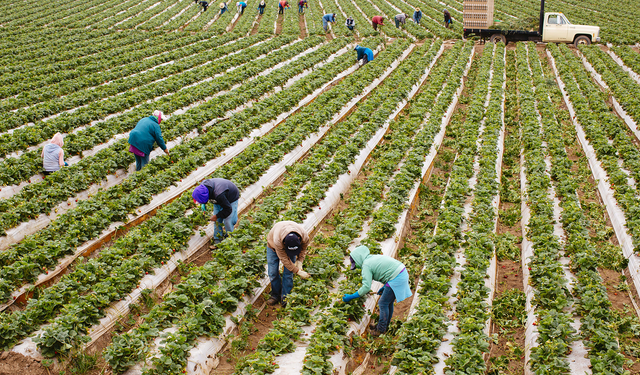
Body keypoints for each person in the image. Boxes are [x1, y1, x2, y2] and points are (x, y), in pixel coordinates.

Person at [342, 245, 412, 336]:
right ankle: (384, 326)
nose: (357, 267)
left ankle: (380, 329)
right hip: (401, 273)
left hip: (396, 277)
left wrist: (352, 296)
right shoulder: (371, 258)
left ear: (358, 260)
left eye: (356, 264)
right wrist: (385, 287)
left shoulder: (366, 265)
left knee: (383, 303)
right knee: (388, 302)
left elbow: (366, 287)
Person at [266, 221, 311, 307]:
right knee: (273, 272)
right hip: (273, 247)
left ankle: (285, 297)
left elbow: (303, 249)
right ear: (285, 244)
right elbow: (285, 260)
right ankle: (275, 295)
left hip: (287, 241)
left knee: (288, 273)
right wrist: (298, 271)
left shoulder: (304, 236)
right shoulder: (277, 240)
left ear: (299, 239)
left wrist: (300, 261)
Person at [192, 178, 240, 244]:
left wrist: (217, 216)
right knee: (217, 221)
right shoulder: (202, 188)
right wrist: (203, 203)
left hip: (231, 198)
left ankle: (229, 239)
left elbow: (228, 209)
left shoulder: (219, 194)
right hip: (218, 199)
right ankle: (218, 239)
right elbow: (200, 195)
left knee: (228, 221)